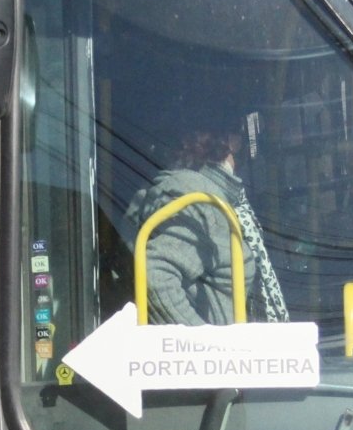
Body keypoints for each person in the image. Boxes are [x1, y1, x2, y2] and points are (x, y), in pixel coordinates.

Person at [123, 109, 288, 325]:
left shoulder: (214, 196)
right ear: (230, 142)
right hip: (219, 357)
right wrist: (204, 348)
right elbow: (156, 276)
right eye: (241, 134)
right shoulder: (201, 200)